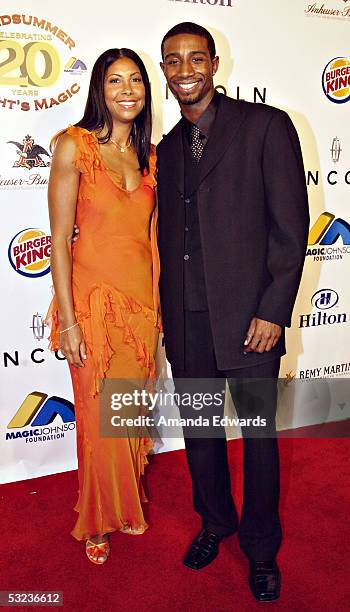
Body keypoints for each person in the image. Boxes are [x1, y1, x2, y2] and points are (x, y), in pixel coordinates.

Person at [156, 22, 309, 601]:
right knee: (199, 434)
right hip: (188, 323)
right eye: (174, 61)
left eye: (197, 59)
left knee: (260, 439)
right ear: (165, 69)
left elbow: (290, 231)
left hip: (251, 324)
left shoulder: (265, 127)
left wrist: (273, 310)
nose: (186, 70)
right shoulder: (167, 151)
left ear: (215, 64)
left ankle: (262, 550)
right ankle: (215, 522)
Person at [45, 48, 161, 564]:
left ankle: (125, 504)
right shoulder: (74, 146)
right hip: (93, 307)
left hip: (142, 309)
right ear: (99, 89)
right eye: (115, 81)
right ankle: (96, 521)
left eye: (136, 80)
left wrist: (159, 315)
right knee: (97, 421)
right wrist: (68, 321)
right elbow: (58, 241)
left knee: (128, 418)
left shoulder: (151, 155)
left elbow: (152, 241)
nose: (127, 90)